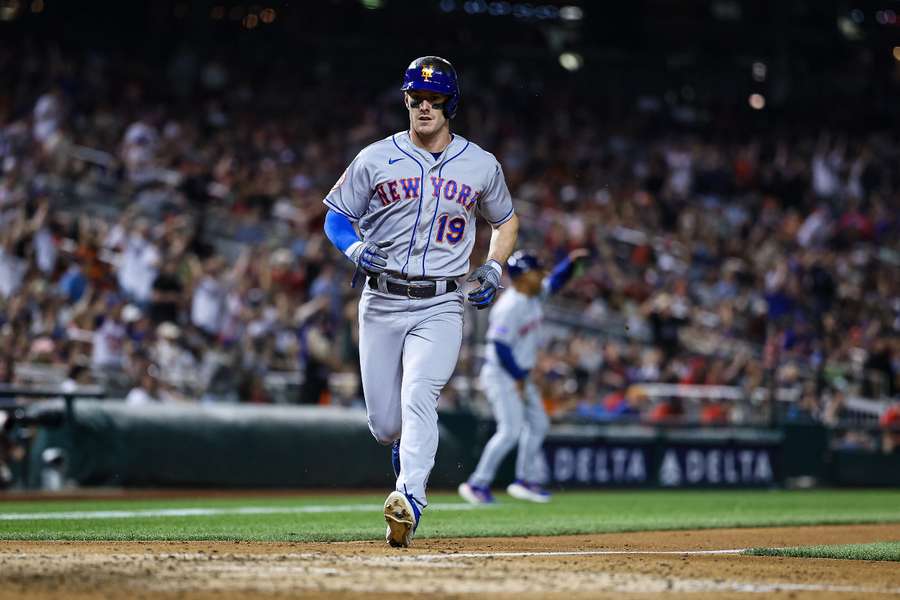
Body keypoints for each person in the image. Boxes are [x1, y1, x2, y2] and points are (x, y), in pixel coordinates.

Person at [322, 56, 519, 547]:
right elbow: (335, 218)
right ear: (406, 100)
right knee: (386, 423)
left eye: (435, 99)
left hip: (441, 303)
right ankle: (402, 458)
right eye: (417, 98)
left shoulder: (480, 164)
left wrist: (494, 266)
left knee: (419, 395)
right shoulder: (374, 158)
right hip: (381, 300)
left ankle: (408, 500)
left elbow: (506, 221)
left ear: (451, 104)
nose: (425, 106)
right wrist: (355, 247)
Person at [458, 249, 587, 505]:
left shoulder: (535, 294)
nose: (541, 274)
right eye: (536, 271)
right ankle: (477, 483)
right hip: (502, 373)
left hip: (520, 375)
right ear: (524, 276)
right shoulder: (509, 306)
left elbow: (556, 280)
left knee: (538, 423)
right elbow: (499, 346)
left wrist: (569, 263)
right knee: (510, 431)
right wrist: (518, 378)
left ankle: (524, 480)